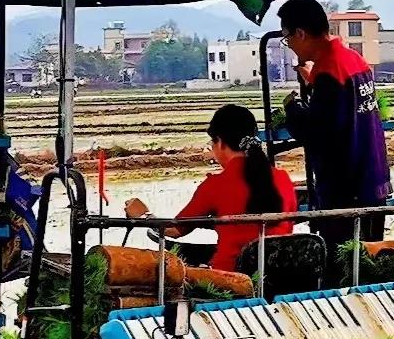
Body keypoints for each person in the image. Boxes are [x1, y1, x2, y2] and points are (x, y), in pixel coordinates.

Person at [278, 0, 392, 249]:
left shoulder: (330, 72)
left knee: (345, 267)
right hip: (373, 180)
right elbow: (343, 111)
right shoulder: (353, 60)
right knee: (368, 258)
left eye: (287, 39)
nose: (290, 46)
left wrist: (292, 107)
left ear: (300, 33)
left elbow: (316, 133)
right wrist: (315, 82)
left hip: (346, 189)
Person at [126, 104, 296, 272]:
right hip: (285, 274)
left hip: (234, 279)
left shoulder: (216, 185)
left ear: (220, 143)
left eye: (212, 143)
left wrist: (144, 215)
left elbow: (174, 230)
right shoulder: (283, 179)